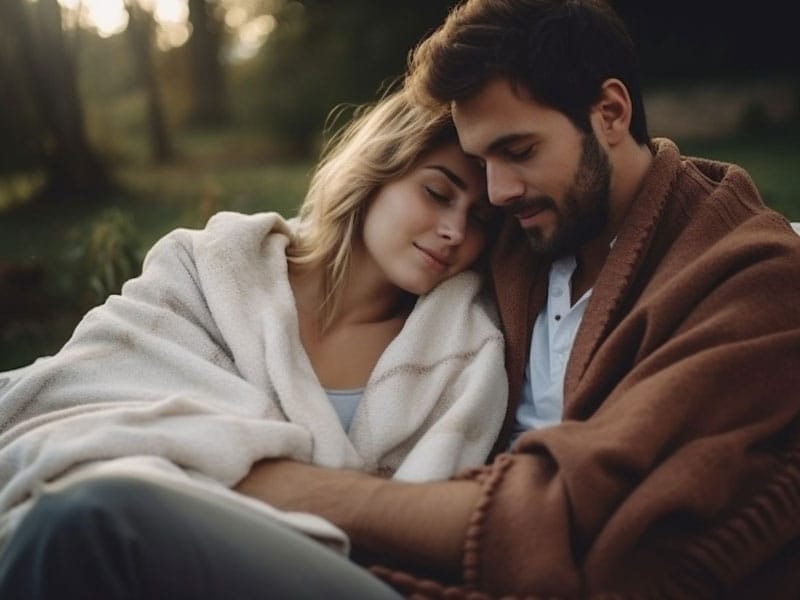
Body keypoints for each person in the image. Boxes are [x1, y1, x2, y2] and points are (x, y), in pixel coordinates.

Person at [209, 0, 800, 598]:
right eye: (483, 159)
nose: (498, 192)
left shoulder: (747, 275)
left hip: (490, 570)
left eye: (518, 152)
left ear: (611, 112)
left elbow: (580, 519)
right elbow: (368, 234)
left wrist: (283, 490)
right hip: (396, 560)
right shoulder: (515, 243)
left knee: (121, 516)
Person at [0, 89, 507, 598]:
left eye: (480, 220)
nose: (454, 230)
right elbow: (78, 400)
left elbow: (428, 516)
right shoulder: (207, 269)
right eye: (438, 194)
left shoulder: (462, 346)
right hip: (163, 545)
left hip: (338, 575)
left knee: (82, 520)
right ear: (377, 168)